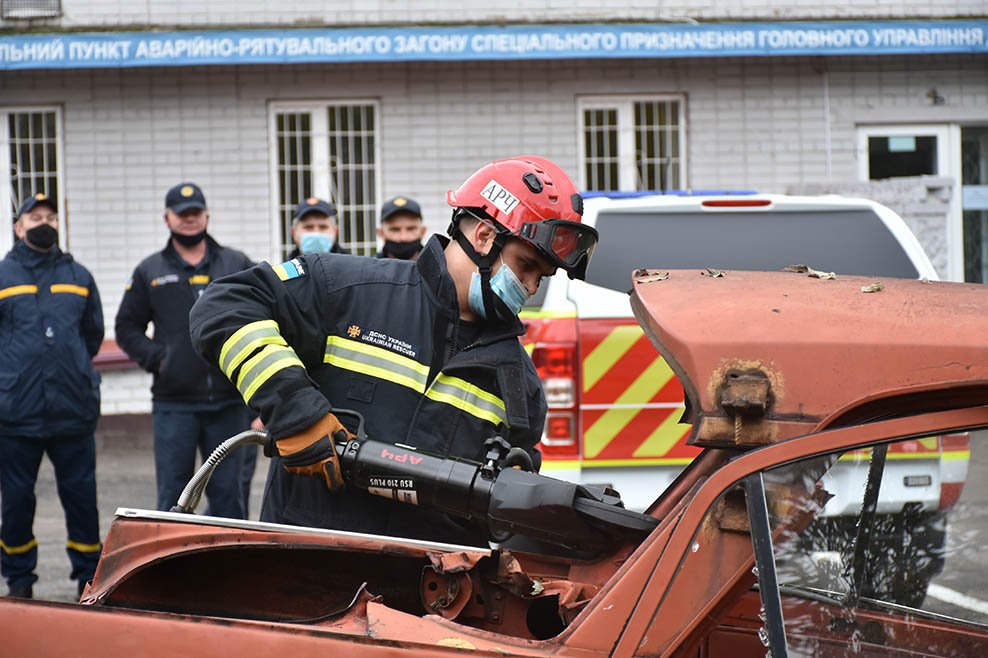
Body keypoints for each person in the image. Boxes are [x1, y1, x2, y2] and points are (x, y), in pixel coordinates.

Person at [189, 156, 598, 545]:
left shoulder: (518, 384)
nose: (529, 287)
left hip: (422, 604)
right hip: (305, 578)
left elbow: (503, 511)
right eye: (526, 266)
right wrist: (295, 412)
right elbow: (223, 306)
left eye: (541, 278)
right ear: (485, 236)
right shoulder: (346, 291)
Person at [115, 182, 254, 519]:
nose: (189, 219)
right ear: (167, 219)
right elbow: (126, 327)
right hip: (174, 404)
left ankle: (231, 569)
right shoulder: (150, 270)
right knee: (174, 498)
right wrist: (159, 360)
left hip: (229, 403)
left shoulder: (236, 264)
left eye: (195, 213)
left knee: (229, 496)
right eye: (182, 214)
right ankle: (173, 569)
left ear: (207, 216)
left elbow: (260, 317)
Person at [0, 192, 103, 599]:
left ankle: (87, 580)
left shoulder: (78, 276)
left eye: (51, 216)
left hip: (72, 411)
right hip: (16, 413)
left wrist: (72, 368)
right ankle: (20, 582)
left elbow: (91, 335)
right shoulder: (3, 276)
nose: (44, 221)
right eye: (35, 216)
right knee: (17, 500)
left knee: (81, 499)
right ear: (18, 226)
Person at [376, 196, 426, 260]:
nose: (403, 237)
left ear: (422, 232)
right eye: (395, 230)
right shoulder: (370, 268)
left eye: (411, 229)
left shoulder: (439, 267)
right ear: (381, 233)